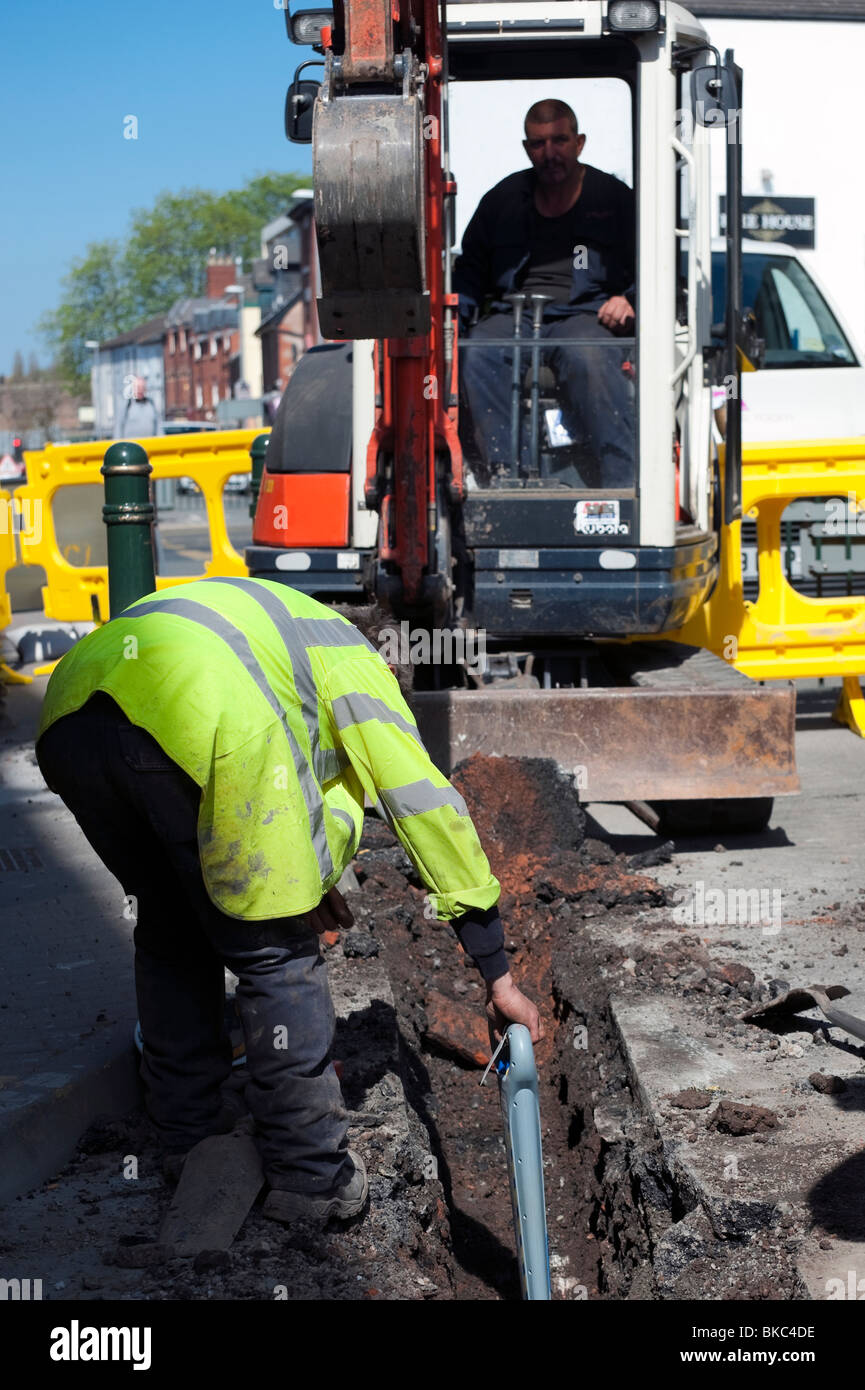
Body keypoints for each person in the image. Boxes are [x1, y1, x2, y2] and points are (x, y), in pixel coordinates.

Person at [34, 577, 540, 1223]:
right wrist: (494, 970)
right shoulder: (357, 664)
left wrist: (308, 877)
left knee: (171, 934)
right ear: (387, 664)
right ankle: (310, 1178)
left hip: (70, 717)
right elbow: (421, 804)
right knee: (275, 959)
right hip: (197, 721)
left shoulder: (279, 626)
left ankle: (188, 1141)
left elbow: (296, 783)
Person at [453, 99, 636, 487]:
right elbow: (469, 271)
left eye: (560, 141)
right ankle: (505, 480)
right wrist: (455, 320)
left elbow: (657, 262)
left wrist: (630, 299)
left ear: (579, 143)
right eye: (538, 144)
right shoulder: (501, 201)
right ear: (526, 148)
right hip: (513, 317)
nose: (549, 154)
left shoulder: (614, 199)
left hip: (585, 317)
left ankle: (620, 485)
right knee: (478, 354)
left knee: (590, 356)